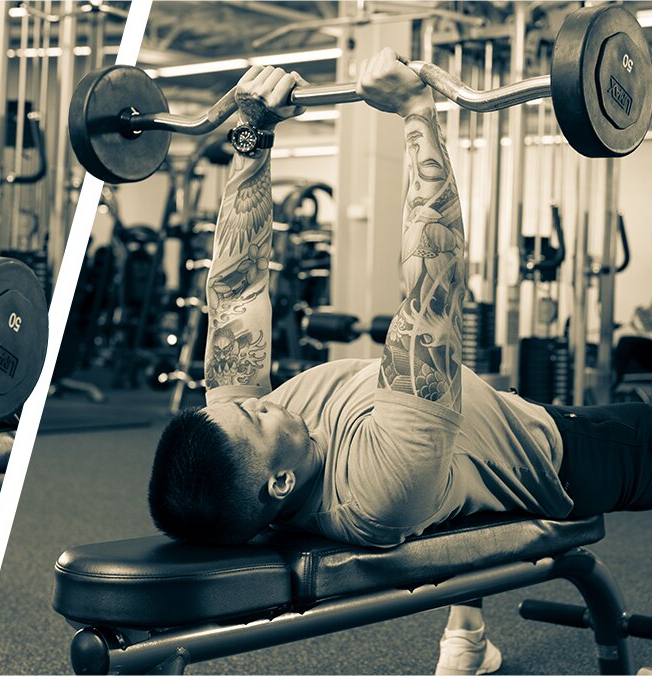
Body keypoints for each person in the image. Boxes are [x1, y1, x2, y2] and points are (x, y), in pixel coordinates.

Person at [147, 51, 652, 676]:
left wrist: (252, 134)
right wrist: (416, 112)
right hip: (566, 455)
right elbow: (432, 282)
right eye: (259, 415)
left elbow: (237, 290)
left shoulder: (243, 443)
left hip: (463, 451)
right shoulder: (379, 489)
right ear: (277, 484)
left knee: (453, 475)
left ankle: (466, 636)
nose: (262, 400)